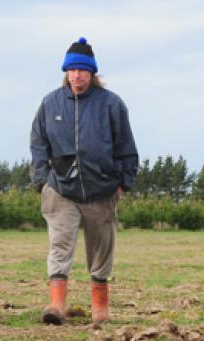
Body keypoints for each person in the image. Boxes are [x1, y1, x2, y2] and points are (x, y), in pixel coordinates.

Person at [30, 37, 138, 326]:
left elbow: (126, 147)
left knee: (102, 248)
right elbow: (38, 144)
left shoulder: (111, 104)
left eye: (82, 70)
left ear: (92, 73)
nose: (77, 75)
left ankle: (100, 310)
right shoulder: (50, 102)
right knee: (60, 244)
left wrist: (122, 183)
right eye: (72, 70)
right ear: (66, 72)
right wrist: (42, 182)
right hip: (61, 189)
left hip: (101, 190)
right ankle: (56, 306)